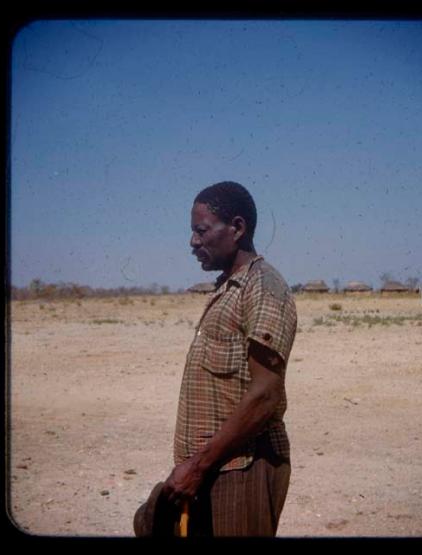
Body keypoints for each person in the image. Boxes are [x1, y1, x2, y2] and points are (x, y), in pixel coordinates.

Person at [162, 181, 297, 536]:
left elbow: (265, 394)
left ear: (237, 228)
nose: (193, 242)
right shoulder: (228, 287)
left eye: (201, 231)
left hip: (243, 469)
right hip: (210, 469)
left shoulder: (263, 288)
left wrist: (197, 467)